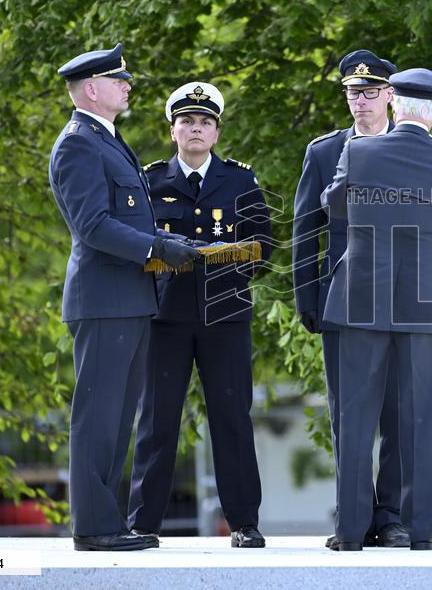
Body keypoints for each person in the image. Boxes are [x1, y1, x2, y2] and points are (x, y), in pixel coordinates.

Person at [49, 43, 201, 551]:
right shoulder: (78, 143)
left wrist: (167, 247)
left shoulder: (106, 139)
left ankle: (107, 522)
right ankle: (93, 527)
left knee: (118, 417)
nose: (128, 85)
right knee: (99, 415)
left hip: (130, 297)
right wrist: (158, 248)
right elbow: (93, 226)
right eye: (119, 80)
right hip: (105, 298)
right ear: (92, 89)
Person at [320, 68, 432, 551]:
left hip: (361, 296)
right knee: (422, 418)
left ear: (395, 104)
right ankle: (422, 532)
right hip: (425, 299)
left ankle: (349, 532)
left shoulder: (357, 150)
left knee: (356, 419)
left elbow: (334, 205)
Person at [128, 82, 272, 548]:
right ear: (173, 131)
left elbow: (264, 248)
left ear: (216, 132)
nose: (196, 128)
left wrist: (224, 261)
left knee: (232, 417)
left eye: (205, 122)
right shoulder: (148, 181)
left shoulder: (240, 181)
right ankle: (143, 523)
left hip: (225, 315)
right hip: (164, 316)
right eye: (187, 121)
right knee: (156, 420)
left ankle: (245, 523)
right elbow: (135, 248)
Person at [292, 50, 410, 549]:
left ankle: (393, 515)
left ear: (389, 96)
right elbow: (305, 231)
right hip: (343, 301)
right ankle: (355, 516)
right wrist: (308, 298)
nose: (359, 102)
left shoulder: (415, 150)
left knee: (402, 412)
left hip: (407, 300)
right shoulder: (324, 153)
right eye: (351, 93)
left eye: (368, 93)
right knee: (350, 416)